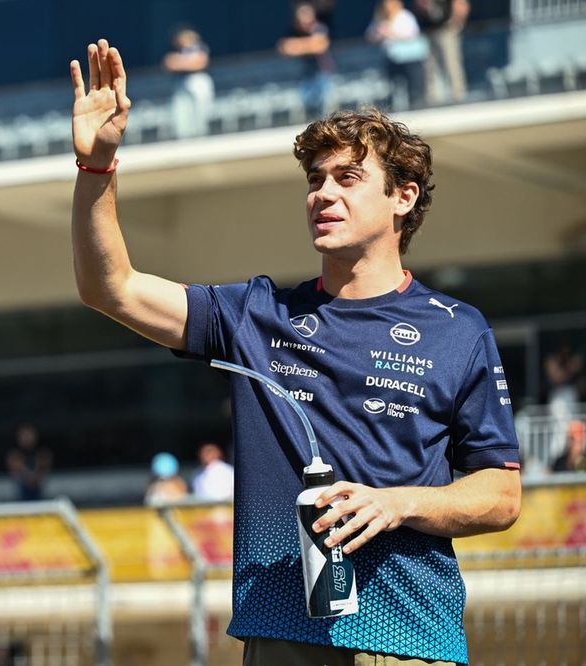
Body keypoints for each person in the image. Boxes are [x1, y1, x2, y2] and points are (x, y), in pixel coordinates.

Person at [68, 39, 520, 664]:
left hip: (412, 635)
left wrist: (398, 503)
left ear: (404, 197)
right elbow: (110, 288)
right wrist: (97, 168)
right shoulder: (255, 314)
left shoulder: (459, 329)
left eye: (348, 178)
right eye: (315, 180)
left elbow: (501, 495)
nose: (322, 194)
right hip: (282, 629)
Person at [278, 3, 337, 120]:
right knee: (307, 107)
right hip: (304, 77)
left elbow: (320, 45)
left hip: (322, 75)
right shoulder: (293, 31)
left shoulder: (319, 28)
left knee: (324, 111)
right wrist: (308, 44)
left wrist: (298, 46)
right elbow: (283, 47)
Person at [366, 0, 429, 109]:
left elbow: (412, 34)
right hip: (392, 58)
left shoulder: (406, 16)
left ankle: (416, 107)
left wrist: (392, 33)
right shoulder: (380, 18)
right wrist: (378, 34)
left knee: (414, 86)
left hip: (410, 58)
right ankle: (392, 108)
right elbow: (369, 36)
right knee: (392, 86)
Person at [162, 27, 214, 139]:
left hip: (198, 81)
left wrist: (180, 63)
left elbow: (200, 63)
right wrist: (186, 62)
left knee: (201, 114)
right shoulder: (176, 52)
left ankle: (201, 136)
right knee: (182, 114)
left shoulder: (199, 48)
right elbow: (169, 63)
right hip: (181, 82)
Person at [413, 0, 469, 104]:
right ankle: (433, 100)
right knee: (429, 67)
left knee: (451, 64)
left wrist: (455, 23)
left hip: (445, 29)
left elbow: (460, 4)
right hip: (427, 31)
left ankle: (458, 97)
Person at [6, 424, 52, 501]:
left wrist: (35, 477)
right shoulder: (14, 454)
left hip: (39, 490)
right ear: (19, 437)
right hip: (21, 492)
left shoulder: (42, 453)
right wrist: (28, 476)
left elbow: (45, 467)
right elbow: (15, 469)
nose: (27, 438)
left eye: (29, 435)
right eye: (24, 436)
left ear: (35, 436)